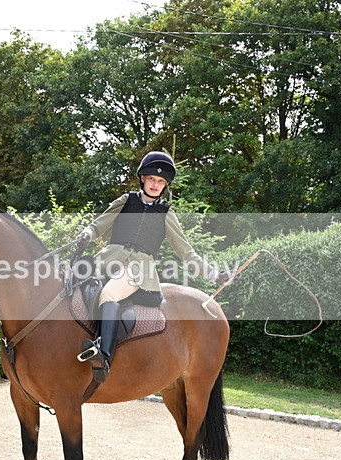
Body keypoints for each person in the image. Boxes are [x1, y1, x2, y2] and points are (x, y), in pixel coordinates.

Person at [75, 150, 229, 383]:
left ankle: (104, 356)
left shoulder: (166, 214)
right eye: (152, 179)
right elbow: (99, 224)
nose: (155, 184)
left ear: (164, 185)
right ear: (143, 179)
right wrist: (86, 233)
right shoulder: (126, 201)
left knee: (108, 295)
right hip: (106, 261)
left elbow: (187, 253)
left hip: (137, 271)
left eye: (160, 181)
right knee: (72, 286)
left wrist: (214, 275)